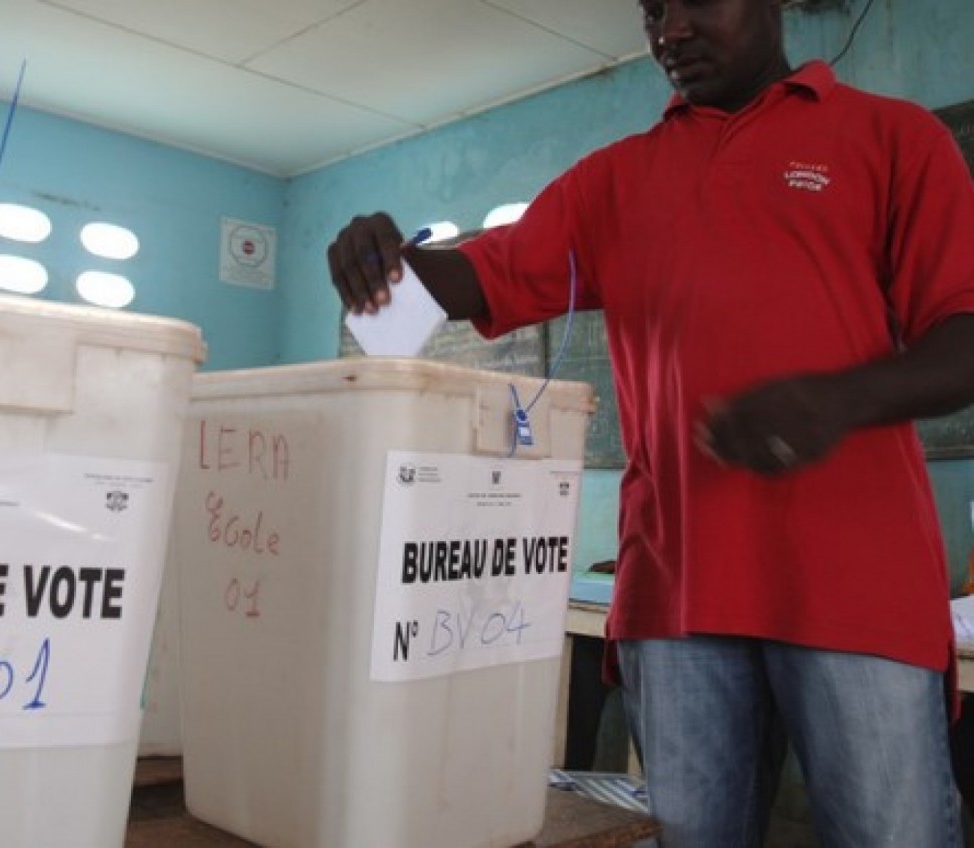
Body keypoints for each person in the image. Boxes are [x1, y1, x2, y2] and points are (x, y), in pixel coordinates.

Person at [326, 0, 974, 844]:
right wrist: (384, 264)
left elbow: (963, 337)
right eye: (652, 9)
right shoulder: (612, 181)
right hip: (678, 593)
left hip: (858, 585)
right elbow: (464, 284)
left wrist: (836, 398)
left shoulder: (895, 138)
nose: (669, 30)